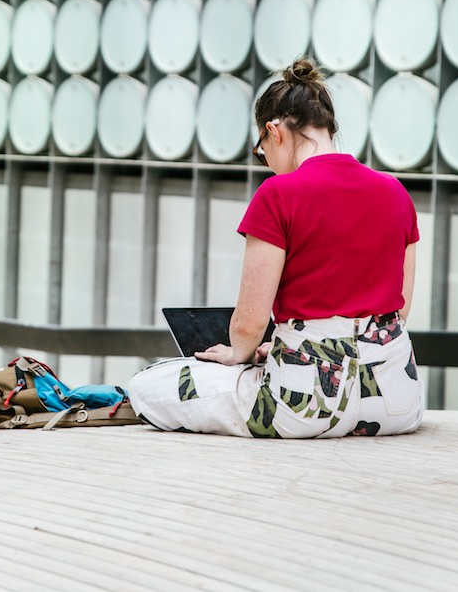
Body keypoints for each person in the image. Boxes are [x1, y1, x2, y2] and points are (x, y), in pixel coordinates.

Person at [128, 58, 424, 439]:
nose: (266, 161)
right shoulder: (395, 192)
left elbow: (249, 326)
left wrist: (242, 353)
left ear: (273, 131)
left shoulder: (278, 195)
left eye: (261, 149)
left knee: (148, 385)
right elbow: (400, 309)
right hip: (396, 403)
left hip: (306, 407)